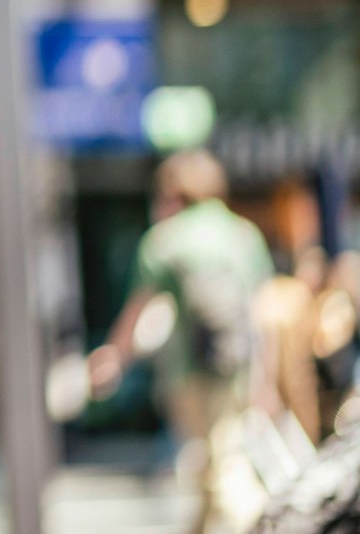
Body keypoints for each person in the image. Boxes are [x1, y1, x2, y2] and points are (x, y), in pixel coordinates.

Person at [89, 149, 273, 534]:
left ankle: (267, 528)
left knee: (221, 467)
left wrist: (113, 358)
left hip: (187, 372)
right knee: (214, 461)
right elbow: (262, 315)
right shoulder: (243, 234)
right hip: (239, 368)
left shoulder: (164, 240)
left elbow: (136, 312)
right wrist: (267, 380)